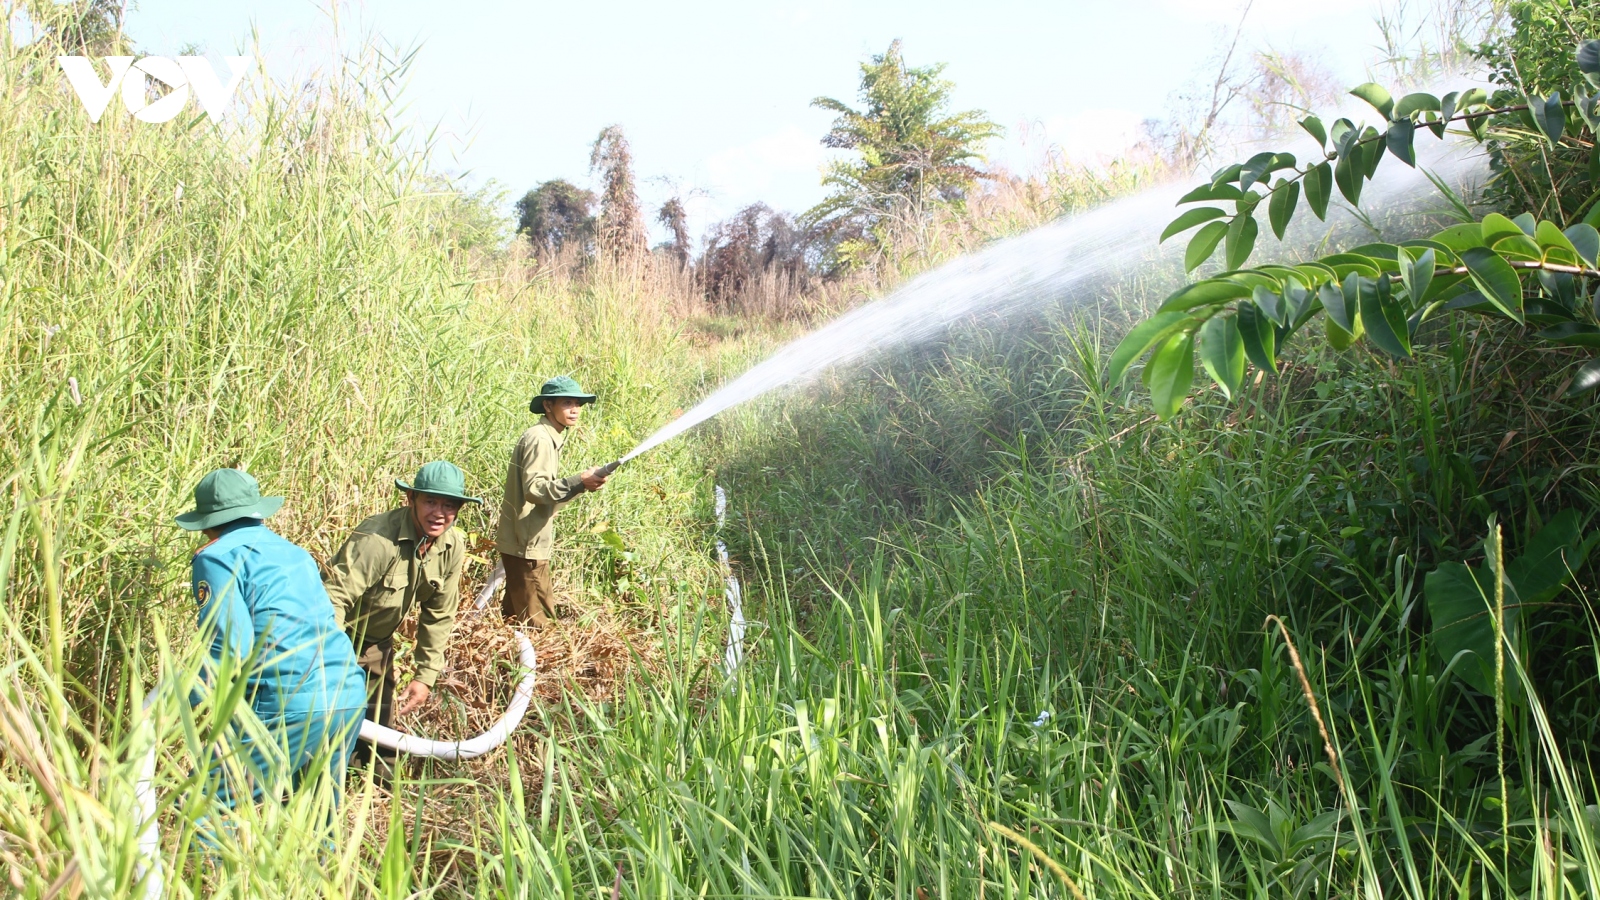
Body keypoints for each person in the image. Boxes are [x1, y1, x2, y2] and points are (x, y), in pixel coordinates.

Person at [177, 468, 367, 804]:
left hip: (288, 702)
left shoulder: (216, 557)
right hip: (347, 695)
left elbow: (230, 647)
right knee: (317, 823)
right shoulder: (295, 552)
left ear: (206, 523)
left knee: (204, 808)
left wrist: (181, 703)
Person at [321, 461, 480, 757]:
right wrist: (332, 660)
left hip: (377, 640)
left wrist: (425, 676)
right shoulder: (378, 539)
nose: (439, 513)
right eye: (430, 501)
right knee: (329, 725)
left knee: (379, 734)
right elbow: (334, 598)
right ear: (411, 500)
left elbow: (439, 614)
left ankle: (375, 790)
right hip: (334, 636)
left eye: (449, 505)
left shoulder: (452, 545)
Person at [497, 375, 608, 626]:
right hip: (527, 547)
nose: (575, 409)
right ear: (548, 406)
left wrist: (583, 484)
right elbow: (535, 491)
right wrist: (579, 481)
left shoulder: (547, 436)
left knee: (515, 621)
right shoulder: (540, 439)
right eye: (567, 402)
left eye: (579, 404)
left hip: (523, 543)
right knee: (540, 625)